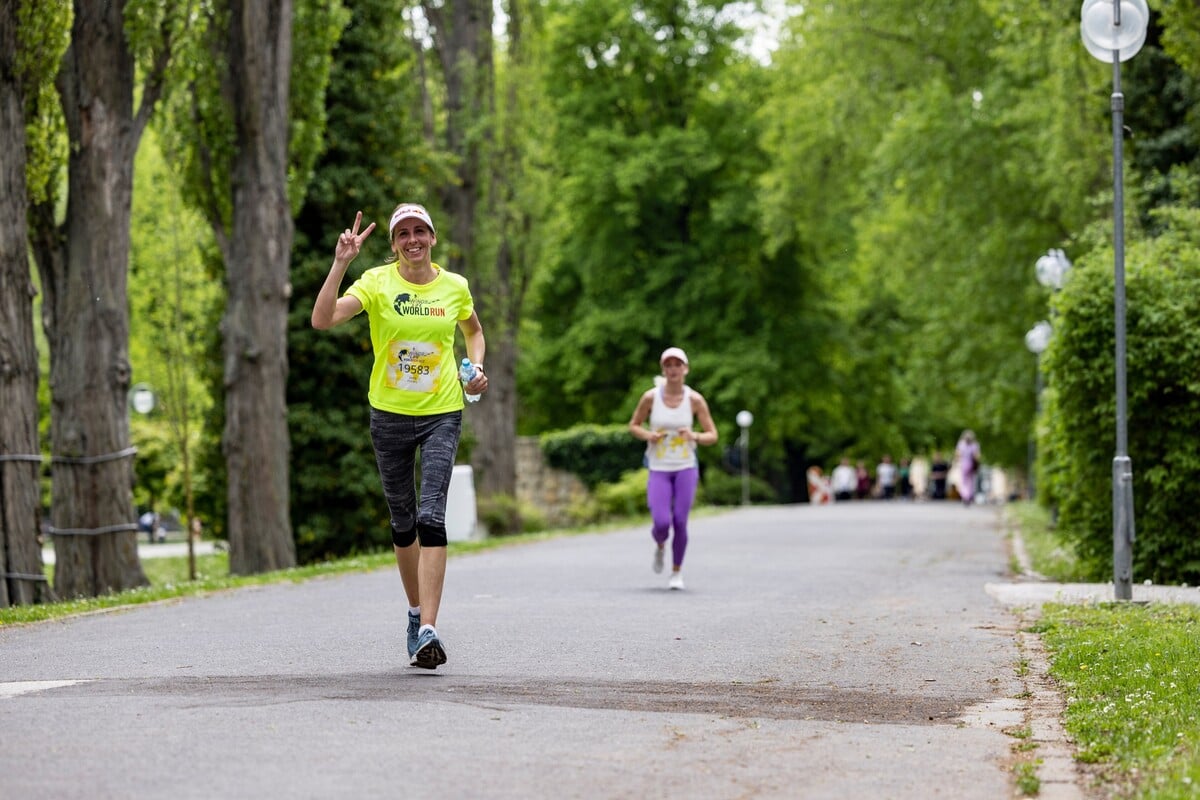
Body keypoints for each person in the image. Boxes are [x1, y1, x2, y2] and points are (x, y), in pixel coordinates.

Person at [311, 204, 487, 670]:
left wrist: (475, 369)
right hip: (388, 415)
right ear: (393, 245)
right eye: (402, 234)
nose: (412, 240)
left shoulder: (455, 287)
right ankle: (414, 614)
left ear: (432, 237)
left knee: (432, 515)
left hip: (442, 413)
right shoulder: (375, 282)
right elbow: (322, 319)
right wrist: (341, 263)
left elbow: (473, 331)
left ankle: (429, 627)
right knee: (403, 521)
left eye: (420, 231)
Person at [628, 347, 718, 590]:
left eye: (678, 365)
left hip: (686, 466)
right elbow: (634, 425)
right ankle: (659, 545)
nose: (673, 369)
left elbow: (713, 435)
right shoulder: (650, 397)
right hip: (658, 467)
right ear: (663, 370)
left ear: (685, 369)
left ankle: (676, 572)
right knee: (660, 522)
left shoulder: (695, 400)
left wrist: (694, 435)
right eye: (668, 365)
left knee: (680, 520)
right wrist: (649, 434)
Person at [955, 430, 982, 506]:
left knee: (964, 481)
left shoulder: (961, 444)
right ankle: (969, 495)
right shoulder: (975, 445)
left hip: (963, 464)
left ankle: (965, 496)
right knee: (970, 481)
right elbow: (977, 457)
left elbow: (957, 454)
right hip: (971, 465)